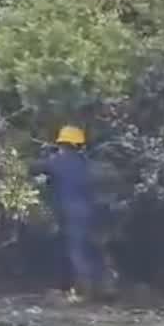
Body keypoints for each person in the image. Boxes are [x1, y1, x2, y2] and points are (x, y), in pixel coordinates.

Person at [29, 125, 105, 298]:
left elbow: (34, 168)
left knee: (75, 251)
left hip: (69, 212)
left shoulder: (56, 162)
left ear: (62, 144)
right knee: (84, 249)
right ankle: (89, 287)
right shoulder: (86, 164)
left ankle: (83, 292)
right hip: (88, 212)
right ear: (79, 145)